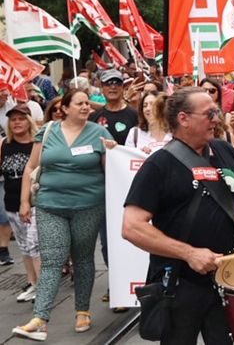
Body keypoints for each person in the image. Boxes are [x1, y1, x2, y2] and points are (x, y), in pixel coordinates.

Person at [122, 87, 234, 345]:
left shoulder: (224, 151)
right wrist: (189, 253)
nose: (216, 119)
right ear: (183, 119)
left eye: (216, 111)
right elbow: (132, 227)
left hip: (231, 278)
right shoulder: (159, 165)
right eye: (209, 113)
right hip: (180, 282)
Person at [13, 90, 114, 340]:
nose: (85, 107)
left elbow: (112, 171)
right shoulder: (47, 131)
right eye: (79, 103)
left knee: (82, 258)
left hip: (88, 206)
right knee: (52, 260)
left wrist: (113, 152)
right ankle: (40, 318)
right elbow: (31, 167)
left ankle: (83, 311)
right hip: (50, 205)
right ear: (65, 108)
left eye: (86, 103)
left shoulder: (100, 133)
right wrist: (24, 200)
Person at [1, 105, 41, 303]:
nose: (16, 122)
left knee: (35, 244)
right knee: (25, 247)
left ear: (29, 121)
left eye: (21, 118)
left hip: (34, 204)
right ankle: (32, 282)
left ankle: (43, 288)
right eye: (13, 119)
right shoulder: (4, 145)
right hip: (11, 204)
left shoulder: (36, 145)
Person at [89, 69, 138, 146]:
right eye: (108, 83)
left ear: (122, 87)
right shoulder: (93, 117)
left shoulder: (135, 116)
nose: (113, 87)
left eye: (117, 83)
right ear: (102, 88)